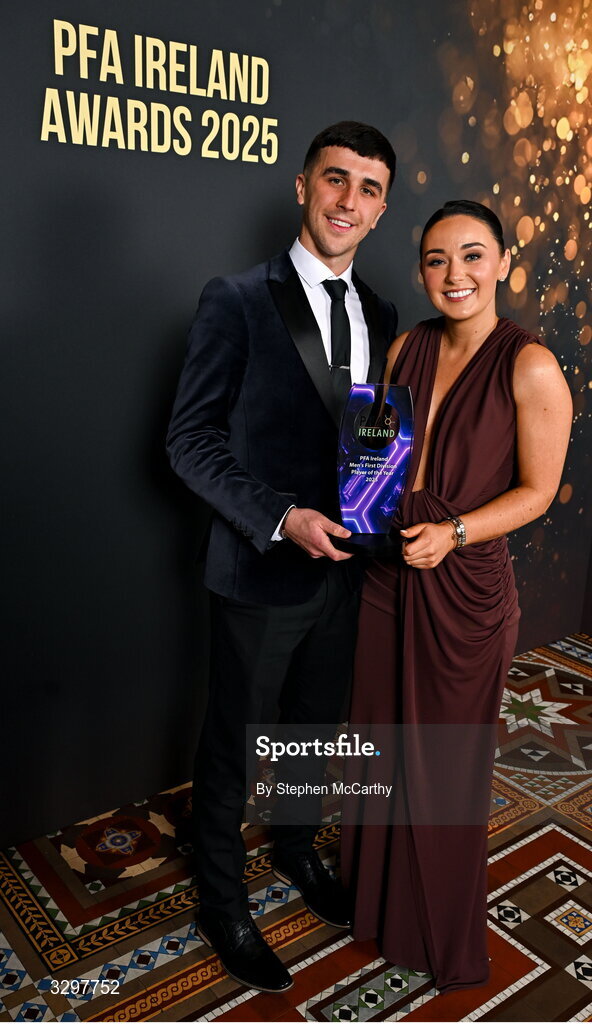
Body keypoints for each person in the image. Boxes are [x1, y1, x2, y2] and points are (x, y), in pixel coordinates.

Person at [166, 122, 398, 993]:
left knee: (311, 732)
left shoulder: (381, 309)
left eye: (369, 189)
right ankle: (222, 901)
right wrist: (282, 517)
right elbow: (190, 443)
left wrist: (382, 510)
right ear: (302, 187)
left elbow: (369, 436)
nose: (349, 200)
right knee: (235, 743)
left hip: (348, 571)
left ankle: (296, 849)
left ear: (380, 211)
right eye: (335, 180)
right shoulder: (235, 298)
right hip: (261, 569)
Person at [341, 200, 572, 993]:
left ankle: (434, 929)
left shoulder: (531, 364)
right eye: (438, 261)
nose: (455, 275)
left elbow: (539, 492)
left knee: (443, 765)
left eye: (473, 257)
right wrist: (357, 510)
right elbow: (380, 455)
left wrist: (457, 534)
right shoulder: (407, 343)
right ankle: (372, 907)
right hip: (386, 574)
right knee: (379, 745)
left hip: (464, 588)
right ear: (420, 272)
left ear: (504, 263)